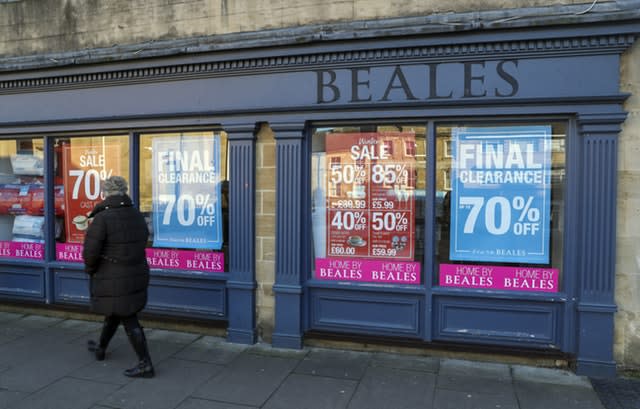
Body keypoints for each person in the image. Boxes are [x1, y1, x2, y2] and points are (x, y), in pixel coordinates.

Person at [83, 176, 155, 378]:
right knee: (115, 312)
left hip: (114, 275)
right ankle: (100, 348)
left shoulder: (103, 218)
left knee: (128, 318)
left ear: (105, 193)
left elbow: (90, 251)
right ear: (124, 191)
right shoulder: (136, 214)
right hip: (135, 271)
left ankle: (145, 363)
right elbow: (144, 240)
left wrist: (90, 269)